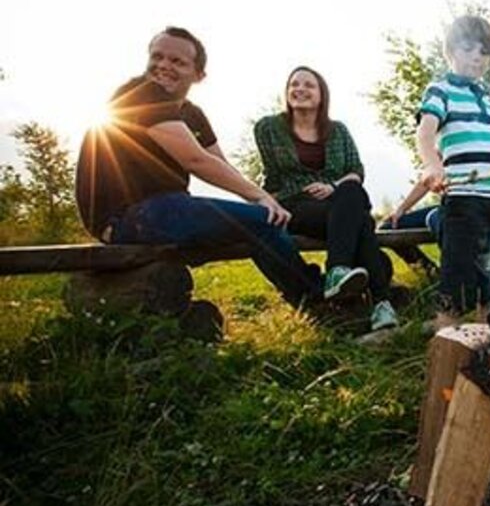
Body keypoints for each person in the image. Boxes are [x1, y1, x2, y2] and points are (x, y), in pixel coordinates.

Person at [75, 27, 322, 309]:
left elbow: (218, 163)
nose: (164, 65)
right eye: (157, 56)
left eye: (178, 62)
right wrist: (260, 199)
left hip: (168, 208)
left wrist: (264, 201)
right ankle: (316, 297)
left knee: (262, 221)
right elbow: (196, 161)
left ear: (199, 75)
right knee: (262, 220)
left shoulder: (191, 114)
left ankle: (314, 296)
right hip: (126, 216)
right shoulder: (139, 94)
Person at [254, 66, 398, 332]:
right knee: (362, 222)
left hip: (337, 203)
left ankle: (338, 272)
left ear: (322, 94)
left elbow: (356, 171)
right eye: (294, 84)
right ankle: (381, 302)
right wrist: (267, 204)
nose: (300, 89)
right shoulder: (269, 127)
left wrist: (333, 186)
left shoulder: (338, 130)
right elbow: (273, 176)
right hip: (295, 205)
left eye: (309, 85)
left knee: (353, 195)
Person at [415, 15, 490, 327]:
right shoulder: (440, 90)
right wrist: (433, 164)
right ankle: (446, 344)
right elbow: (425, 134)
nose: (476, 56)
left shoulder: (489, 103)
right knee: (457, 277)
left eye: (483, 52)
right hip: (464, 201)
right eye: (467, 48)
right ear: (450, 51)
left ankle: (488, 344)